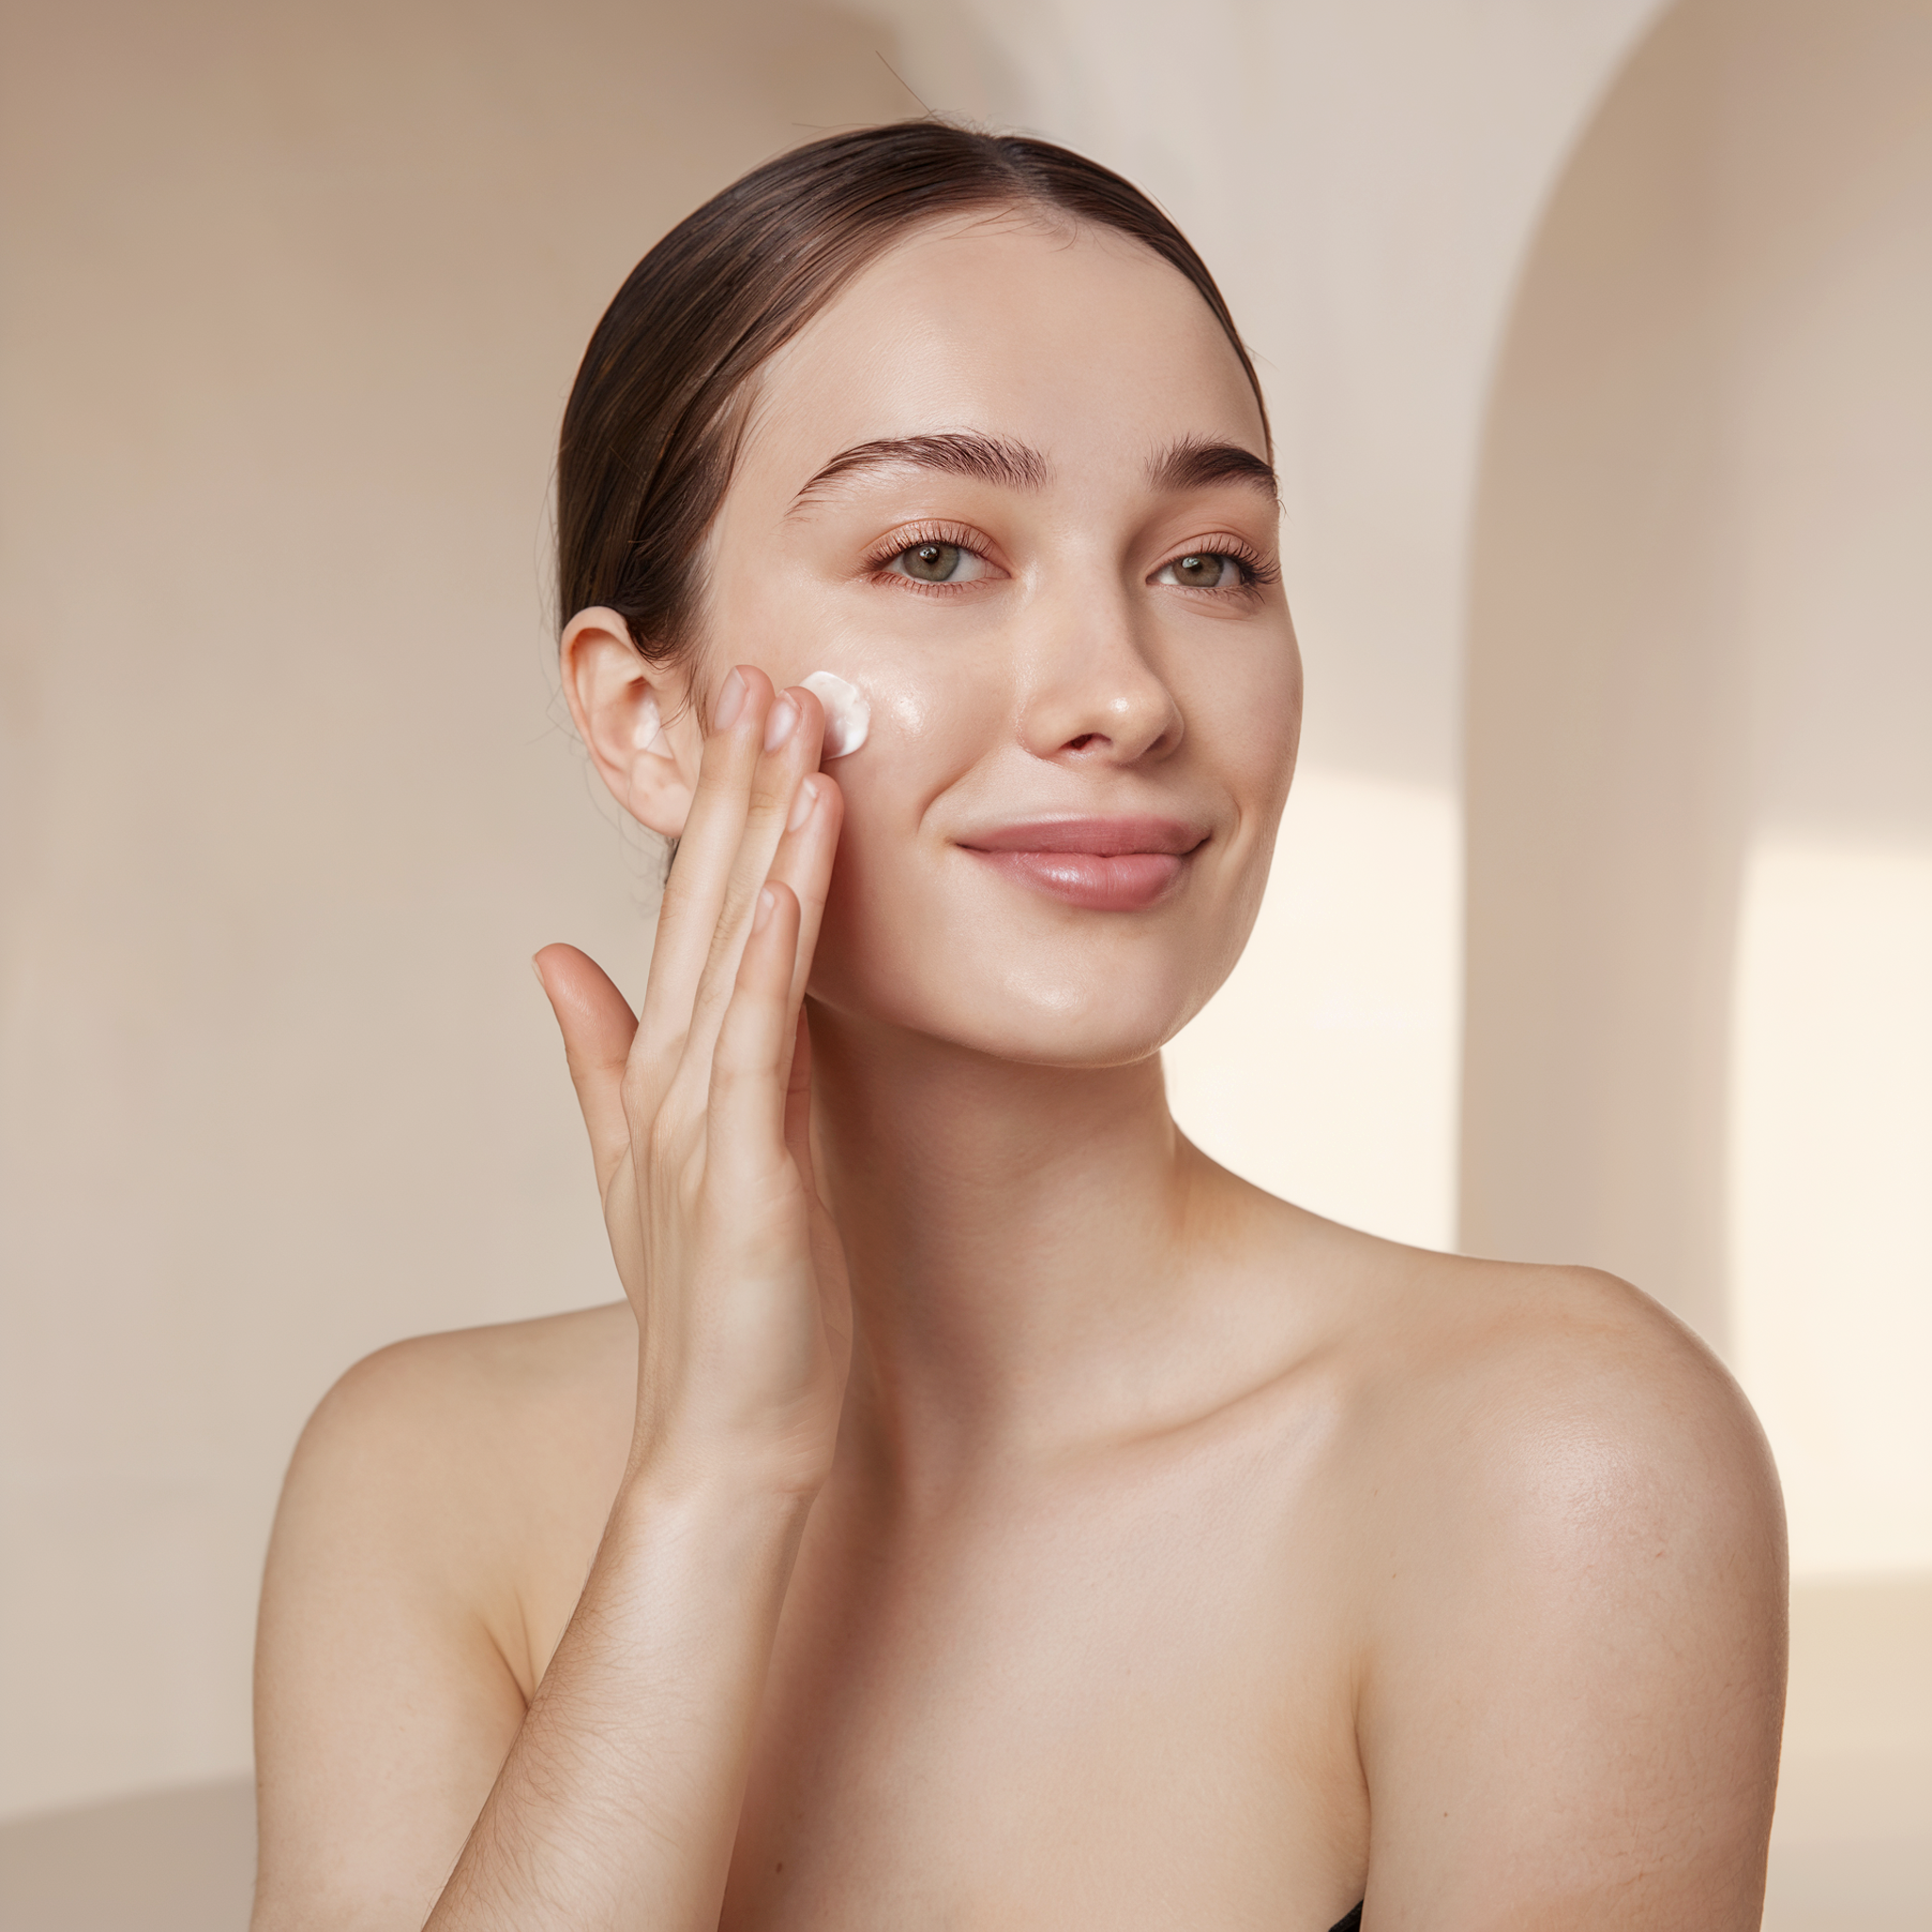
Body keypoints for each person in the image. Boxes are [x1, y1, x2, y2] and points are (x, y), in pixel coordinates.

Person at [248, 121, 1787, 1931]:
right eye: (934, 555)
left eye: (1209, 562)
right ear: (646, 720)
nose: (1124, 693)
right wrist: (710, 1488)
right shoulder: (424, 1480)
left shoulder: (1556, 1468)